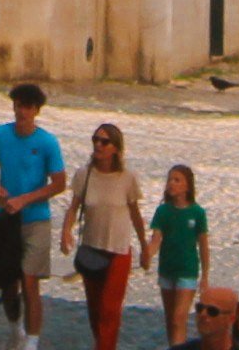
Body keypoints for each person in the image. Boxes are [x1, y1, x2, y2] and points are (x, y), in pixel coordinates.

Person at [0, 79, 71, 338]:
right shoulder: (0, 134)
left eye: (27, 107)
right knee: (8, 283)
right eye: (18, 106)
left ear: (36, 111)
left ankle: (32, 340)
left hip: (36, 220)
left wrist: (26, 199)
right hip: (7, 219)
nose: (21, 112)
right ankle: (14, 329)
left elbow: (59, 183)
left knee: (30, 282)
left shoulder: (47, 143)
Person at [67, 122, 149, 350]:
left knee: (109, 310)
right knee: (95, 311)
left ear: (116, 148)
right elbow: (73, 207)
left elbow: (135, 214)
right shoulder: (84, 175)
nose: (98, 145)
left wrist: (145, 246)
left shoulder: (127, 178)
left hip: (119, 250)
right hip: (92, 249)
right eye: (95, 140)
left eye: (104, 141)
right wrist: (66, 232)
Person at [149, 164, 212, 347]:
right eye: (170, 179)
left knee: (179, 318)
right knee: (170, 319)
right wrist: (147, 255)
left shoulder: (197, 213)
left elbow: (203, 245)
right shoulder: (163, 212)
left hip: (188, 271)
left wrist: (205, 276)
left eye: (177, 180)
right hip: (167, 270)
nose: (172, 183)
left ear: (187, 186)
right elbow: (156, 239)